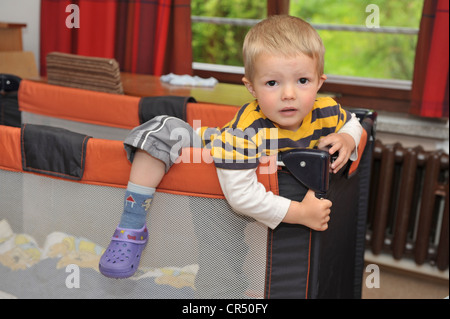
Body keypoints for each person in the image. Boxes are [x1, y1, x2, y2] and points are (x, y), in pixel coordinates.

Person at [98, 15, 363, 279]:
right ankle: (131, 227)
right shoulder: (245, 131)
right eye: (272, 83)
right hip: (206, 146)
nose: (289, 94)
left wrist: (348, 138)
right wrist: (299, 213)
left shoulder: (326, 109)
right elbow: (242, 197)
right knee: (159, 135)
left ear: (319, 81)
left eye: (302, 81)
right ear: (251, 88)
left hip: (236, 156)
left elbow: (354, 123)